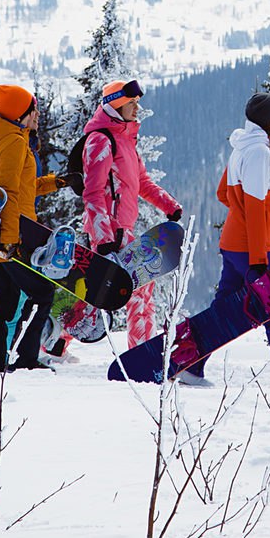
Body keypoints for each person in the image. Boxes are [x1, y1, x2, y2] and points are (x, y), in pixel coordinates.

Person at [178, 92, 270, 388]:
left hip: (234, 242)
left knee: (223, 309)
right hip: (250, 248)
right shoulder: (259, 153)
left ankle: (191, 365)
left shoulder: (241, 148)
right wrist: (260, 259)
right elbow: (257, 207)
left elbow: (224, 194)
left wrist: (240, 215)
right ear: (267, 119)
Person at [81, 78, 182, 347]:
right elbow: (92, 194)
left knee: (101, 291)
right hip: (108, 232)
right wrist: (103, 240)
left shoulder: (125, 141)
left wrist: (169, 206)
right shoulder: (100, 141)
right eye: (131, 103)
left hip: (122, 229)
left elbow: (143, 183)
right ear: (116, 105)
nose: (137, 109)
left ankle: (54, 341)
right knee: (137, 286)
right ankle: (141, 350)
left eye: (138, 103)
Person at [0, 84, 63, 372]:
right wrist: (9, 243)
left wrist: (56, 182)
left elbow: (23, 189)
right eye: (32, 110)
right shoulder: (13, 143)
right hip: (10, 236)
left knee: (5, 301)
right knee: (42, 292)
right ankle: (25, 359)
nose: (37, 115)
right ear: (21, 113)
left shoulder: (6, 140)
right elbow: (9, 195)